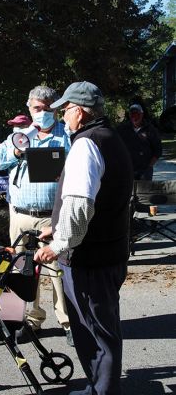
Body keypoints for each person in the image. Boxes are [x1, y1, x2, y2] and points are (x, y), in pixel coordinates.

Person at [34, 81, 133, 395]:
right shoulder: (111, 138)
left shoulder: (86, 144)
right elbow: (100, 198)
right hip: (110, 252)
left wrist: (59, 244)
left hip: (90, 259)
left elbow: (79, 205)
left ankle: (102, 391)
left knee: (96, 333)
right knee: (104, 327)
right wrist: (56, 225)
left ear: (79, 111)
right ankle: (102, 387)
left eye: (65, 109)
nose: (63, 115)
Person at [0, 85, 73, 346]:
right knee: (24, 271)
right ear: (29, 109)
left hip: (53, 216)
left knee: (59, 270)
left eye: (48, 109)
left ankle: (68, 322)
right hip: (21, 215)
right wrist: (16, 151)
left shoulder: (67, 135)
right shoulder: (20, 135)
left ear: (56, 110)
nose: (42, 113)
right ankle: (32, 320)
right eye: (37, 108)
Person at [117, 103, 162, 180]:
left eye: (137, 114)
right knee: (127, 191)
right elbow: (116, 148)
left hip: (145, 171)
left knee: (145, 192)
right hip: (127, 169)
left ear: (142, 114)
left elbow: (158, 150)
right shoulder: (122, 129)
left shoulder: (151, 129)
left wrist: (149, 166)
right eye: (132, 114)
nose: (135, 117)